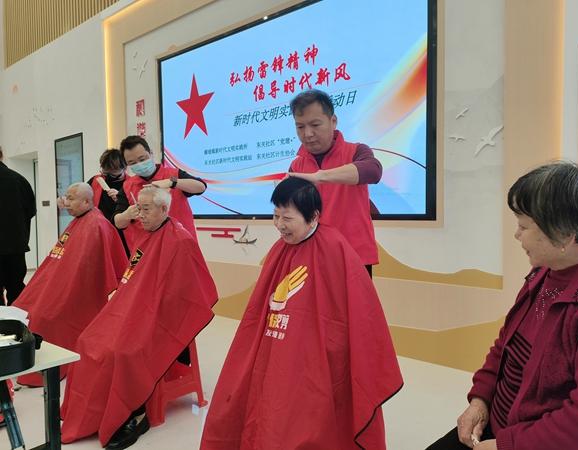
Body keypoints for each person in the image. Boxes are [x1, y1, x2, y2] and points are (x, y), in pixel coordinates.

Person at [200, 177, 402, 450]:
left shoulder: (336, 249)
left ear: (314, 216)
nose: (279, 224)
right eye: (275, 215)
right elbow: (261, 308)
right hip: (280, 337)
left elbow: (356, 315)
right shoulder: (279, 249)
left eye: (287, 218)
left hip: (318, 349)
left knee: (305, 412)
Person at [427, 161, 578, 450]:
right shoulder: (545, 272)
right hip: (500, 426)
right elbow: (506, 344)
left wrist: (505, 445)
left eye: (523, 226)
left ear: (565, 234)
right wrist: (480, 400)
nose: (516, 235)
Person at [61, 186, 218, 450]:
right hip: (130, 310)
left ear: (164, 209)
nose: (140, 215)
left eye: (145, 210)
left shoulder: (180, 240)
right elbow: (132, 279)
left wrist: (147, 313)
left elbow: (186, 295)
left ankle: (135, 412)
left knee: (122, 351)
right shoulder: (146, 235)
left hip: (159, 317)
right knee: (87, 340)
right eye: (138, 208)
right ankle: (90, 411)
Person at [13, 182, 128, 386]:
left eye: (71, 199)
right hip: (57, 284)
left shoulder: (97, 225)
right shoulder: (78, 222)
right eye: (66, 197)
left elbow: (87, 274)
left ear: (87, 202)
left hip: (77, 293)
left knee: (43, 315)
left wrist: (59, 288)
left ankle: (47, 366)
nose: (66, 203)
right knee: (21, 306)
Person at [287, 89, 382, 276]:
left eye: (315, 124)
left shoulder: (356, 151)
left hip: (354, 256)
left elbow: (373, 171)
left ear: (333, 121)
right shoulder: (296, 165)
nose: (308, 134)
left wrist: (320, 176)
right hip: (311, 257)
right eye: (300, 127)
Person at [113, 135, 206, 250]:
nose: (139, 164)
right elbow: (118, 223)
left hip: (179, 244)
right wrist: (126, 215)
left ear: (151, 153)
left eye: (142, 159)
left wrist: (172, 182)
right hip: (147, 248)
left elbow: (201, 187)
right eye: (132, 163)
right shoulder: (128, 186)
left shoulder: (173, 174)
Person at [0, 146, 36, 305]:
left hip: (14, 246)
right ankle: (15, 320)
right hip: (15, 248)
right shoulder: (19, 180)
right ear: (1, 155)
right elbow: (30, 211)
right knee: (16, 290)